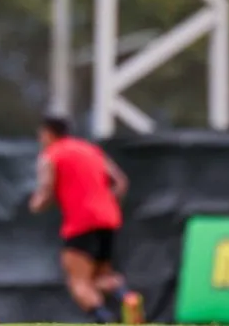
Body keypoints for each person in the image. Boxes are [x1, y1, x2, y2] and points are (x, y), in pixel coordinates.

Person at [29, 116, 144, 324]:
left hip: (80, 222)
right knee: (101, 277)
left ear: (48, 133)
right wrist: (106, 203)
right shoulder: (90, 149)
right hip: (108, 219)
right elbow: (121, 182)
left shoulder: (52, 154)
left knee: (78, 282)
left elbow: (46, 191)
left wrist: (35, 205)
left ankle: (105, 320)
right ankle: (127, 297)